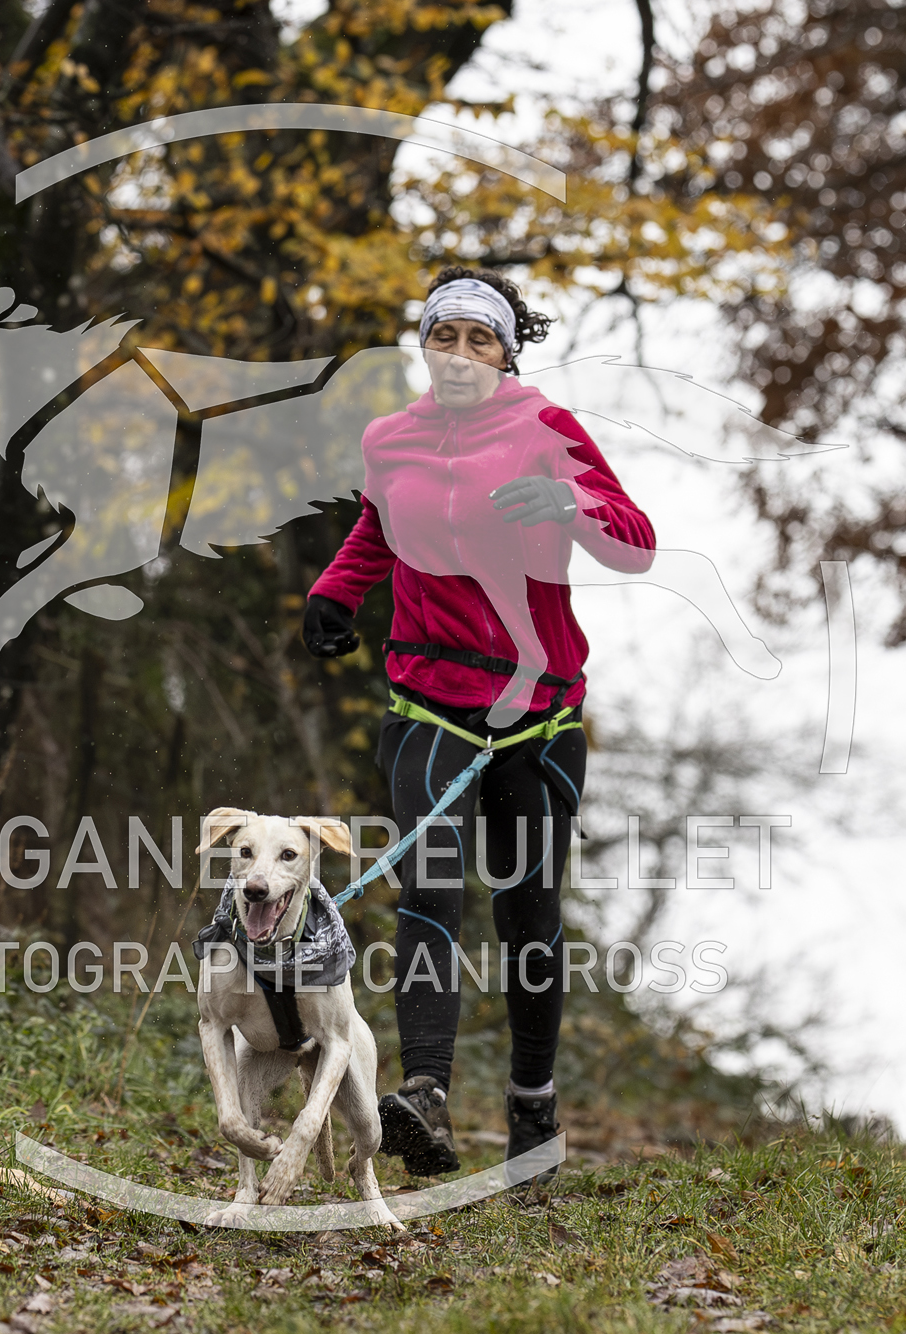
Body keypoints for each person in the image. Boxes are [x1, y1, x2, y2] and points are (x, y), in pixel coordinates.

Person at [301, 266, 655, 1181]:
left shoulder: (546, 429)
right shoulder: (390, 439)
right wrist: (335, 592)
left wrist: (572, 503)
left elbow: (635, 541)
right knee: (429, 890)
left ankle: (532, 1104)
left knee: (527, 912)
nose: (458, 355)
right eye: (443, 336)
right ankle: (425, 1092)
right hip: (428, 699)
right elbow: (379, 526)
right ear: (423, 346)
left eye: (479, 339)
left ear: (505, 354)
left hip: (538, 714)